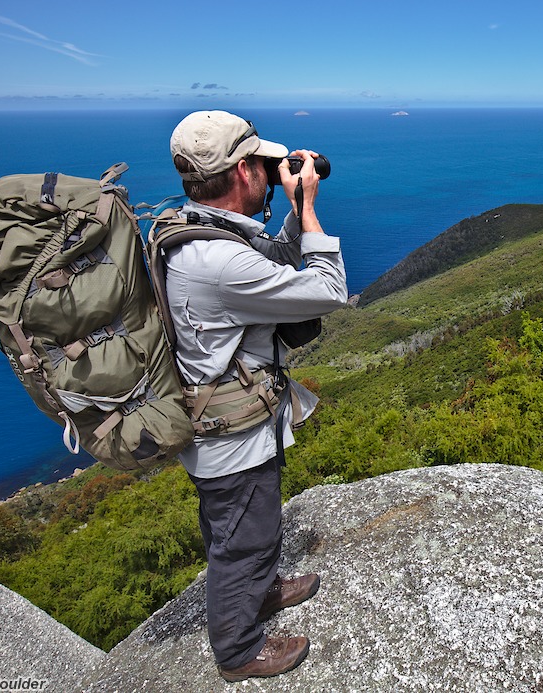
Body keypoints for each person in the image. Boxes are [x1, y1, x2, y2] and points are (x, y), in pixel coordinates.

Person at [164, 110, 348, 682]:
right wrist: (310, 207)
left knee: (252, 526)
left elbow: (267, 260)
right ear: (244, 171)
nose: (273, 174)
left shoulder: (193, 230)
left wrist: (291, 210)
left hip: (237, 423)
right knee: (241, 541)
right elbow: (327, 290)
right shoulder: (219, 261)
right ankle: (239, 650)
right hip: (231, 440)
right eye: (263, 166)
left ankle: (263, 589)